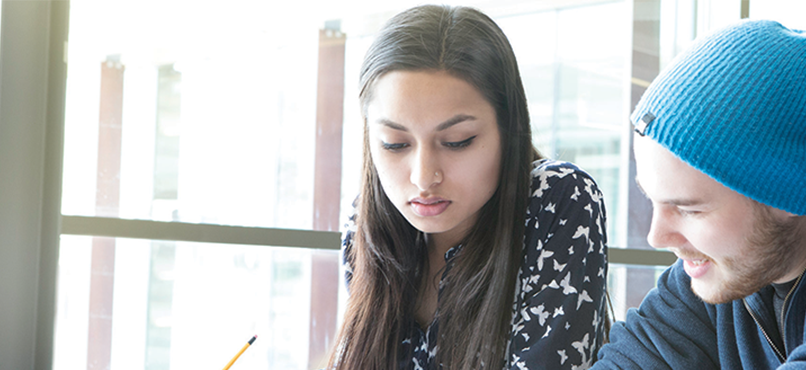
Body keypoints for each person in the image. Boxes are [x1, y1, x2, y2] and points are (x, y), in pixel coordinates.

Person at [327, 5, 608, 370]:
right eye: (395, 143)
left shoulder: (558, 201)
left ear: (508, 131)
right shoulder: (363, 225)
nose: (423, 178)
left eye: (458, 141)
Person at [592, 20, 806, 369]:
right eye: (652, 200)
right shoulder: (720, 273)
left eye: (690, 210)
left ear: (786, 193)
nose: (656, 237)